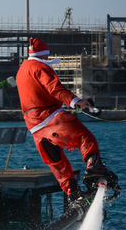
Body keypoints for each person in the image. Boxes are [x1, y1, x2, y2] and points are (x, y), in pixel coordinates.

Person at [15, 37, 118, 203]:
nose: (48, 60)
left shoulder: (22, 70)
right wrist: (77, 102)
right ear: (43, 56)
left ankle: (74, 195)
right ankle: (95, 167)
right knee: (86, 138)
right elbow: (55, 89)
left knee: (57, 163)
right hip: (50, 118)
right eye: (47, 57)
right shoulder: (40, 67)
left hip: (34, 127)